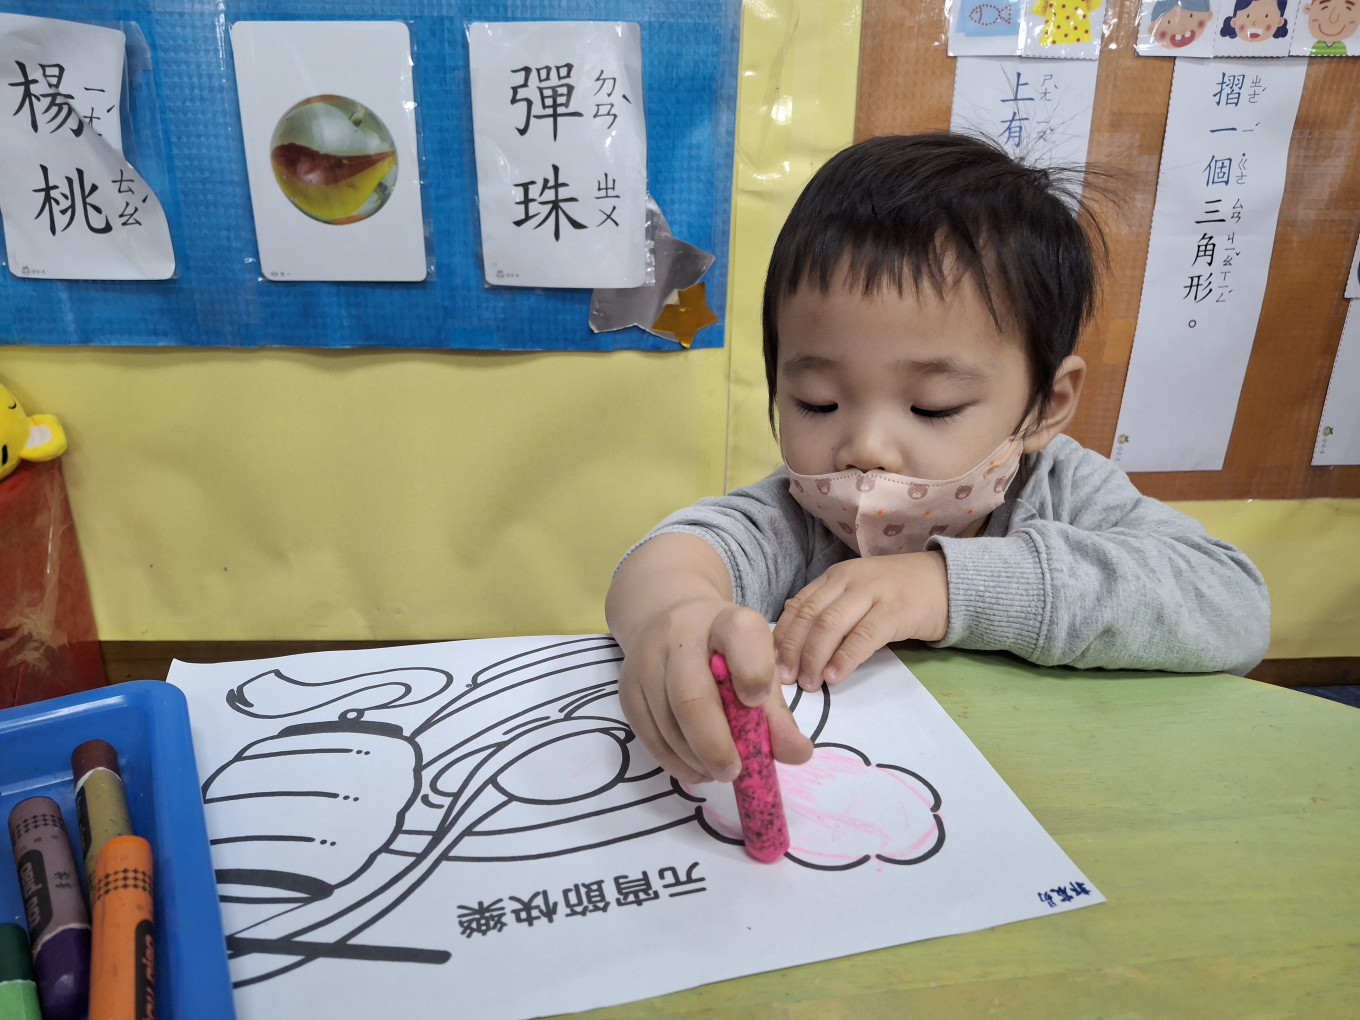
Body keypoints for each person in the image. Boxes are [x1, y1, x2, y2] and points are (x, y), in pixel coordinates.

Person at [605, 133, 1271, 786]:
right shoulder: (798, 514)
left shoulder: (1065, 490)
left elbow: (1234, 606)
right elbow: (674, 558)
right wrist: (673, 618)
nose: (866, 446)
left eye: (932, 407)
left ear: (1046, 405)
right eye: (817, 402)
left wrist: (947, 588)